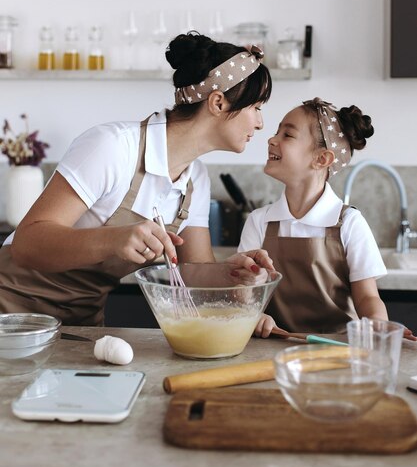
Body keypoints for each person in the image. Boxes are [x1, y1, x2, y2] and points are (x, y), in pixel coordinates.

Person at [0, 32, 275, 326]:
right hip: (10, 313)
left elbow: (194, 274)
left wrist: (230, 273)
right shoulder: (113, 147)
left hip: (80, 325)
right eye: (256, 108)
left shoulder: (195, 179)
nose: (260, 123)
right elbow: (27, 245)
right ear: (218, 103)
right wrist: (113, 239)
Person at [238, 97, 416, 339]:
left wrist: (378, 328)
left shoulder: (350, 223)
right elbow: (243, 289)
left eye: (287, 135)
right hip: (274, 347)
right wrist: (253, 315)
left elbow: (367, 297)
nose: (272, 139)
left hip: (339, 349)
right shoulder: (259, 221)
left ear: (322, 159)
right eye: (276, 132)